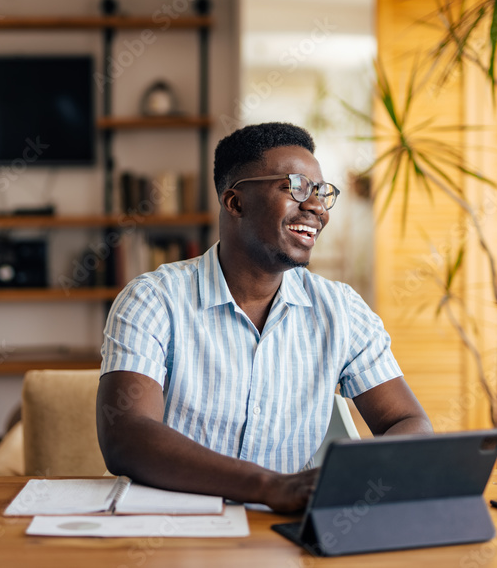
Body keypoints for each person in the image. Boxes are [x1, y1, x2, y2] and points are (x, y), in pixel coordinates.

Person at [96, 122, 431, 513]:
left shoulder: (341, 311)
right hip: (173, 528)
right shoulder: (153, 300)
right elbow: (126, 436)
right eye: (296, 187)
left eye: (322, 193)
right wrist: (269, 486)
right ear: (236, 203)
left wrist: (351, 477)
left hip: (285, 528)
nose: (317, 208)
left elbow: (408, 422)